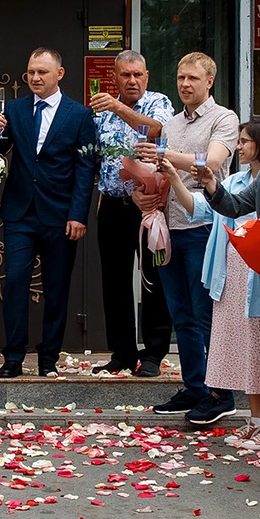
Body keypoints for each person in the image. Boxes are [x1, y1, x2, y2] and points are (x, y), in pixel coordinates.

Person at [0, 48, 97, 378]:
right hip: (21, 211)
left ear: (59, 74)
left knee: (56, 287)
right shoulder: (14, 108)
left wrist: (78, 214)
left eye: (42, 73)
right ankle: (13, 356)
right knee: (16, 280)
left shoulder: (79, 115)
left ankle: (48, 357)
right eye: (31, 72)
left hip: (61, 214)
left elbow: (84, 168)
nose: (35, 78)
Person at [150, 53, 241, 424]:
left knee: (207, 315)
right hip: (171, 226)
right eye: (180, 77)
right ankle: (195, 387)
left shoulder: (225, 118)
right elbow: (165, 173)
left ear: (209, 82)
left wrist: (163, 154)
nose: (185, 84)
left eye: (192, 78)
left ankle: (221, 393)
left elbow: (213, 163)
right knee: (181, 315)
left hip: (206, 226)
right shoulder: (170, 123)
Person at [86, 50, 176, 377]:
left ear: (147, 76)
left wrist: (120, 107)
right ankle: (122, 351)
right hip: (112, 205)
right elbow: (94, 158)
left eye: (137, 74)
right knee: (114, 280)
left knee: (152, 278)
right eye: (125, 75)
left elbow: (158, 131)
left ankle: (153, 352)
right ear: (115, 77)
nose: (132, 81)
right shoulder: (100, 113)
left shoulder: (157, 102)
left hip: (150, 205)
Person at [201, 118, 260, 442]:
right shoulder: (245, 180)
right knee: (246, 348)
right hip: (234, 270)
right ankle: (255, 420)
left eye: (244, 141)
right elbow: (230, 205)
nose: (238, 146)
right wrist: (210, 184)